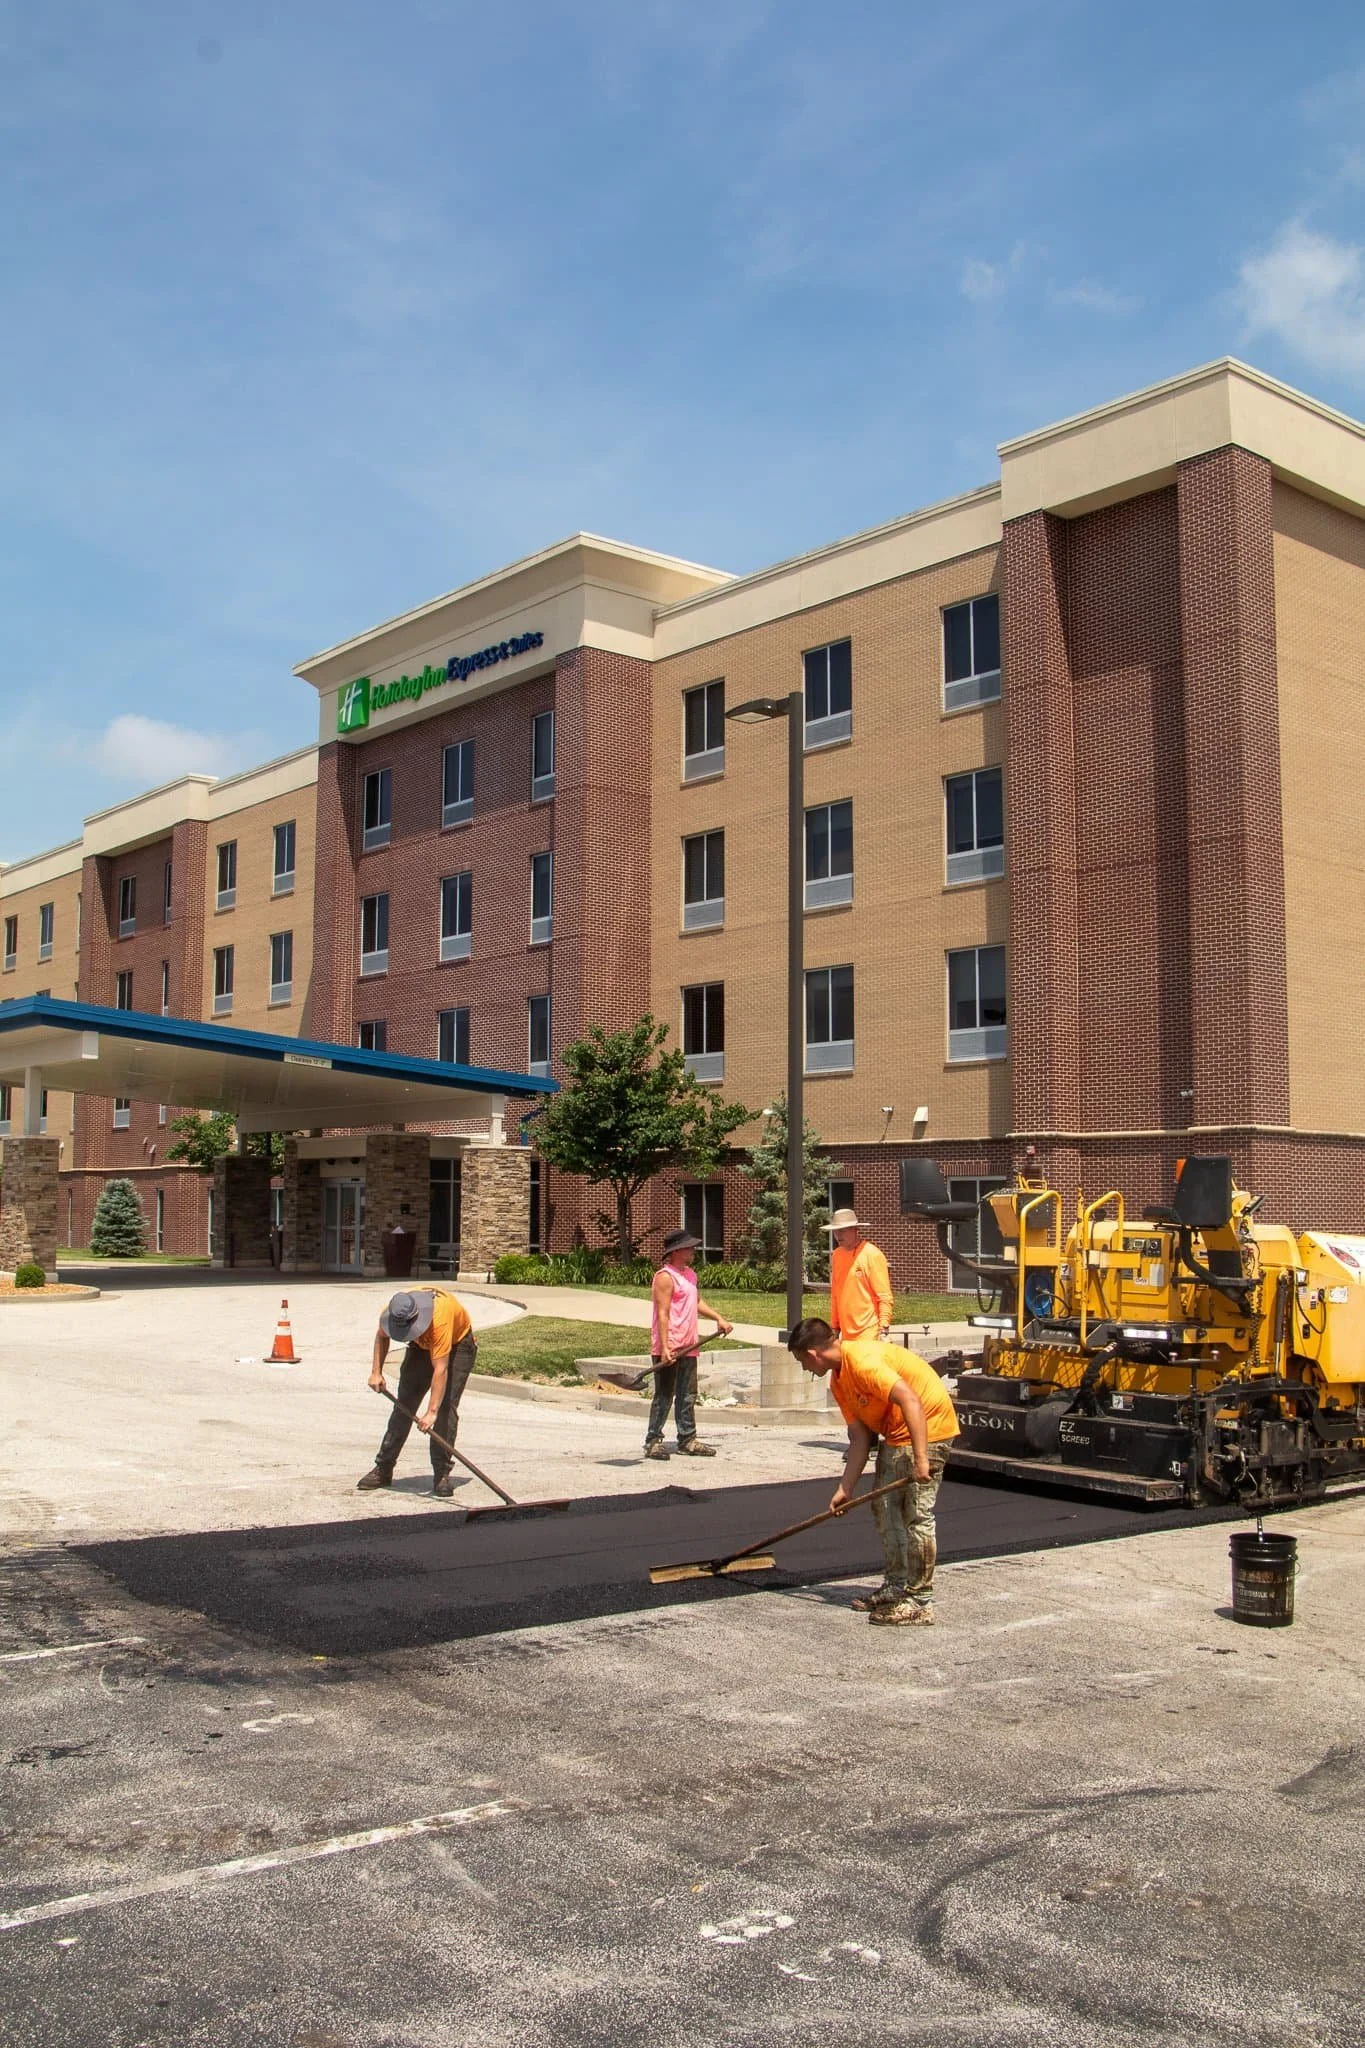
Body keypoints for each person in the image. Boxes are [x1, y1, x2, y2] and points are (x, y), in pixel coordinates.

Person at [788, 1316, 958, 1627]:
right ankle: (896, 1586)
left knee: (917, 1516)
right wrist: (846, 1488)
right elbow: (861, 1437)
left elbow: (910, 1399)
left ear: (813, 1354)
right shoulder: (839, 1380)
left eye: (802, 1361)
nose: (804, 1369)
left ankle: (920, 1601)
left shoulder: (864, 1363)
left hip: (928, 1429)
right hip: (896, 1434)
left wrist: (922, 1459)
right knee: (885, 1509)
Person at [357, 1287, 478, 1497]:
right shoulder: (392, 1312)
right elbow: (381, 1337)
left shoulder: (440, 1318)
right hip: (420, 1347)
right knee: (405, 1403)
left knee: (445, 1409)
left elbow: (441, 1368)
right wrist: (376, 1372)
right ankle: (383, 1468)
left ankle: (442, 1474)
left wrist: (431, 1411)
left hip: (458, 1345)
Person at [646, 1227, 733, 1460]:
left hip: (689, 1344)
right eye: (689, 1247)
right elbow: (662, 1313)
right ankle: (653, 1440)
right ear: (676, 1251)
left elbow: (697, 1301)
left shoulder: (690, 1274)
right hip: (670, 1345)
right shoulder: (665, 1277)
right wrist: (663, 1347)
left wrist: (718, 1318)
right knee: (664, 1394)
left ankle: (688, 1439)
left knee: (687, 1395)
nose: (693, 1250)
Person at [826, 1206, 894, 1341]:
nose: (838, 1235)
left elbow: (884, 1296)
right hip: (846, 1334)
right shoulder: (837, 1255)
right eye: (835, 1231)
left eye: (843, 1230)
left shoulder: (872, 1254)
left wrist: (884, 1327)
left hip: (869, 1331)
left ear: (855, 1230)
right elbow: (836, 1294)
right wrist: (834, 1326)